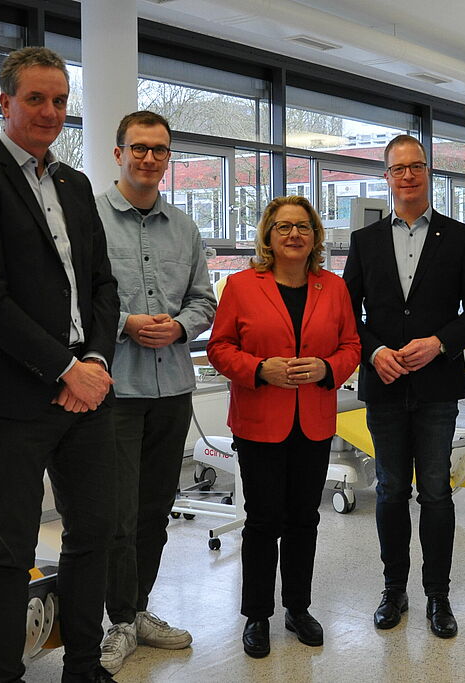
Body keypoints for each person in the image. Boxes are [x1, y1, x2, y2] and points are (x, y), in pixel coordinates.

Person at [0, 47, 119, 682]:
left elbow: (102, 285)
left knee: (92, 534)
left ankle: (84, 664)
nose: (50, 112)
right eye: (37, 99)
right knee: (10, 549)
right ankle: (4, 675)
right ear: (6, 102)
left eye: (61, 100)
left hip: (87, 390)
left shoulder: (74, 185)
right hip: (13, 396)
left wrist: (93, 360)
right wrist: (63, 370)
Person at [343, 134, 465, 639]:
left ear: (429, 173)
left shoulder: (459, 237)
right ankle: (394, 590)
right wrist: (375, 352)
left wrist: (440, 343)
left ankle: (438, 596)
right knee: (388, 492)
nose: (407, 176)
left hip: (435, 387)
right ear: (386, 177)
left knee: (435, 493)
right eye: (398, 168)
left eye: (417, 167)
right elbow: (347, 313)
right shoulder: (365, 242)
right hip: (384, 384)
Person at [207, 196, 360, 659]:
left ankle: (297, 607)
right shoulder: (240, 284)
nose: (294, 235)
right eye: (283, 227)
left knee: (304, 520)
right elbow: (220, 347)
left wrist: (326, 367)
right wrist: (258, 370)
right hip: (259, 422)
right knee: (262, 520)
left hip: (312, 420)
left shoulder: (332, 287)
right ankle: (257, 615)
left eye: (303, 227)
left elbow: (352, 345)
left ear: (315, 237)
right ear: (268, 235)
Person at [94, 111, 216, 674]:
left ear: (169, 158)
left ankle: (139, 609)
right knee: (116, 511)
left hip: (172, 388)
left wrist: (180, 325)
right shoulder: (90, 218)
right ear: (119, 152)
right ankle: (117, 620)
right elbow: (76, 300)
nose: (148, 158)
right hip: (115, 388)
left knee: (156, 508)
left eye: (159, 150)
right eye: (138, 148)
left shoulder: (184, 228)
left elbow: (204, 300)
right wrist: (125, 323)